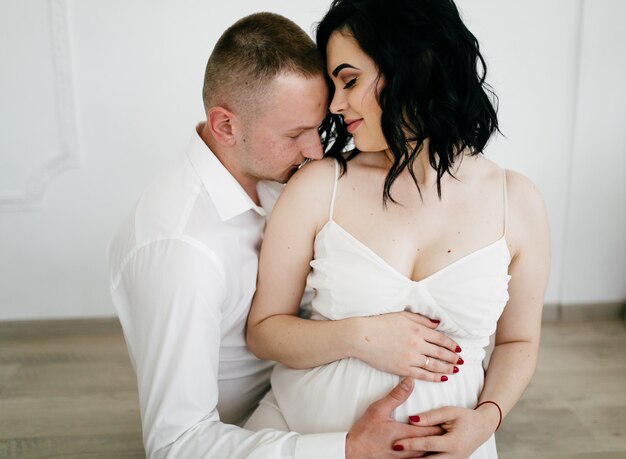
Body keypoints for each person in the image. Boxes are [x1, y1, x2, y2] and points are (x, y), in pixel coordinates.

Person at [108, 11, 464, 459]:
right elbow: (176, 445)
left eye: (316, 127)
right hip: (257, 435)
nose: (316, 150)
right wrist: (345, 448)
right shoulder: (183, 253)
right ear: (225, 126)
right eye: (296, 133)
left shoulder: (281, 176)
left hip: (311, 390)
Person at [245, 0, 551, 458]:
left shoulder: (516, 201)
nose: (335, 104)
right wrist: (359, 336)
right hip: (308, 439)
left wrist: (485, 421)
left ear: (413, 65)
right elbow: (265, 331)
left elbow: (519, 340)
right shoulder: (319, 186)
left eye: (349, 80)